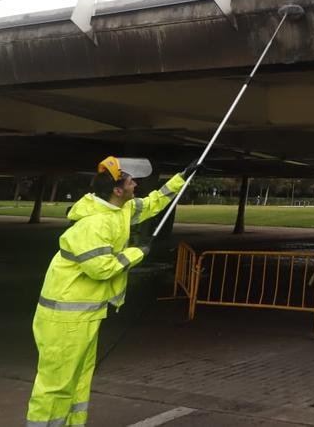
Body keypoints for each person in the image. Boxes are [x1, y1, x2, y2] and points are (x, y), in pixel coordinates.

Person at [26, 156, 193, 427]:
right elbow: (101, 269)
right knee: (55, 384)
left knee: (79, 380)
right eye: (131, 181)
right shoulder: (93, 224)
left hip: (85, 314)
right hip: (65, 318)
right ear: (118, 189)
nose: (135, 184)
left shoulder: (118, 210)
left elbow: (153, 203)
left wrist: (181, 178)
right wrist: (138, 252)